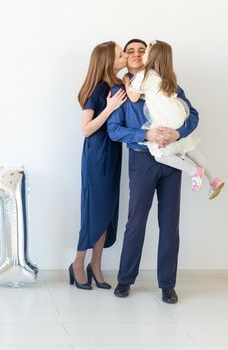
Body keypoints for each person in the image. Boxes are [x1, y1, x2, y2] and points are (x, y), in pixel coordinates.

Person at [107, 38, 199, 304]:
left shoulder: (169, 84)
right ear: (126, 57)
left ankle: (167, 284)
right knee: (136, 222)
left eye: (141, 50)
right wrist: (145, 133)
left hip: (172, 160)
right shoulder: (121, 91)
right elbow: (114, 130)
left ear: (148, 56)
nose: (136, 54)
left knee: (170, 224)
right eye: (131, 51)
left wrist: (178, 132)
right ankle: (125, 280)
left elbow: (192, 114)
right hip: (142, 161)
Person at [123, 40, 224, 199]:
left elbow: (133, 97)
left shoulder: (144, 75)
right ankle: (214, 180)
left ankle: (193, 171)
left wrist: (126, 81)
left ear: (152, 56)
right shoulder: (168, 77)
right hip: (179, 114)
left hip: (166, 119)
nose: (142, 54)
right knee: (189, 148)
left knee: (159, 154)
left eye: (146, 51)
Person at [69, 41, 127, 290]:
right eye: (121, 53)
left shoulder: (119, 85)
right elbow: (86, 129)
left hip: (113, 152)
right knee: (94, 210)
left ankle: (96, 266)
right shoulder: (97, 88)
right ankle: (78, 264)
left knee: (108, 212)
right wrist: (111, 108)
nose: (125, 56)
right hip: (97, 153)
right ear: (107, 59)